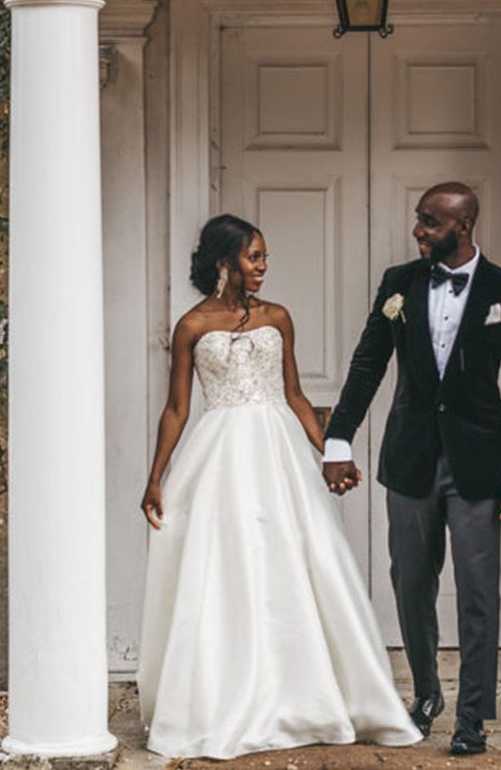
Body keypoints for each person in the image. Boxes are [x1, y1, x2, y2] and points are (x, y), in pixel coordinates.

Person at [136, 214, 421, 759]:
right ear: (225, 262)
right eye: (254, 257)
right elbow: (177, 409)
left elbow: (292, 394)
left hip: (278, 450)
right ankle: (223, 699)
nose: (263, 267)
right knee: (224, 571)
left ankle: (307, 697)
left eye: (265, 257)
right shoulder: (191, 327)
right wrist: (156, 478)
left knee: (295, 561)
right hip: (218, 455)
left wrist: (330, 450)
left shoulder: (279, 317)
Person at [322, 183, 501, 757]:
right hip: (411, 458)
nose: (418, 230)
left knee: (477, 592)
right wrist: (338, 437)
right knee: (411, 583)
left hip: (479, 464)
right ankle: (425, 695)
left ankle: (473, 717)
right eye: (418, 220)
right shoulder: (398, 284)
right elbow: (369, 361)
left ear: (462, 225)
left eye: (428, 221)